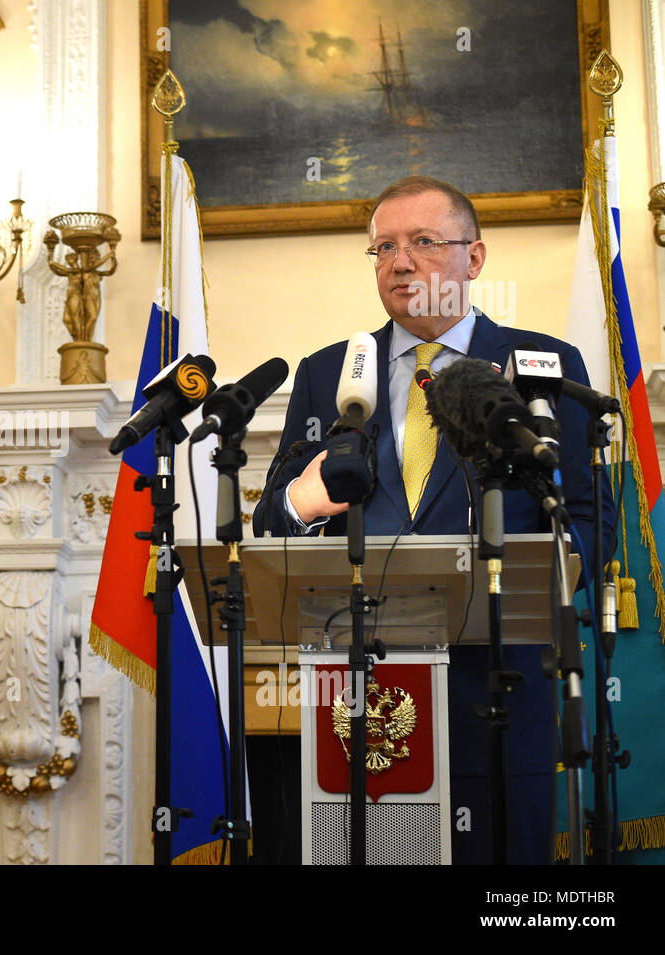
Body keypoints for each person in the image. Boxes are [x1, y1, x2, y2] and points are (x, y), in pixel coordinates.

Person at [252, 175, 613, 864]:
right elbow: (275, 523)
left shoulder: (537, 366)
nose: (399, 261)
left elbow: (589, 519)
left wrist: (550, 581)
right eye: (383, 247)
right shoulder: (329, 370)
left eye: (423, 242)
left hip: (501, 687)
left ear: (473, 260)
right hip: (360, 703)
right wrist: (303, 500)